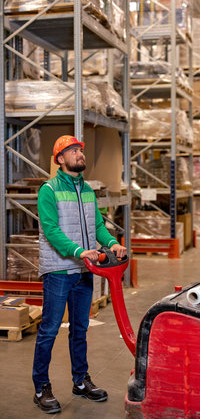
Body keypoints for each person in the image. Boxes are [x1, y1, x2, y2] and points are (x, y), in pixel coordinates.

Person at [32, 135, 127, 414]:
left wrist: (112, 243)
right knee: (49, 330)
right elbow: (51, 230)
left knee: (80, 330)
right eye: (73, 151)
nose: (80, 154)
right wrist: (78, 251)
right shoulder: (48, 190)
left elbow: (97, 224)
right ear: (60, 159)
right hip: (60, 270)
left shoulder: (86, 189)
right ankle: (41, 388)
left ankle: (80, 382)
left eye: (81, 150)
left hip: (85, 269)